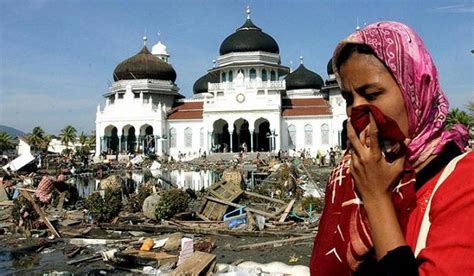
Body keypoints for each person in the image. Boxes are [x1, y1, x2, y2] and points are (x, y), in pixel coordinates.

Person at [310, 21, 473, 275]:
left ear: (416, 92)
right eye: (348, 98)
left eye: (372, 94)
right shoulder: (352, 176)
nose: (357, 111)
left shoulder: (463, 180)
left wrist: (377, 199)